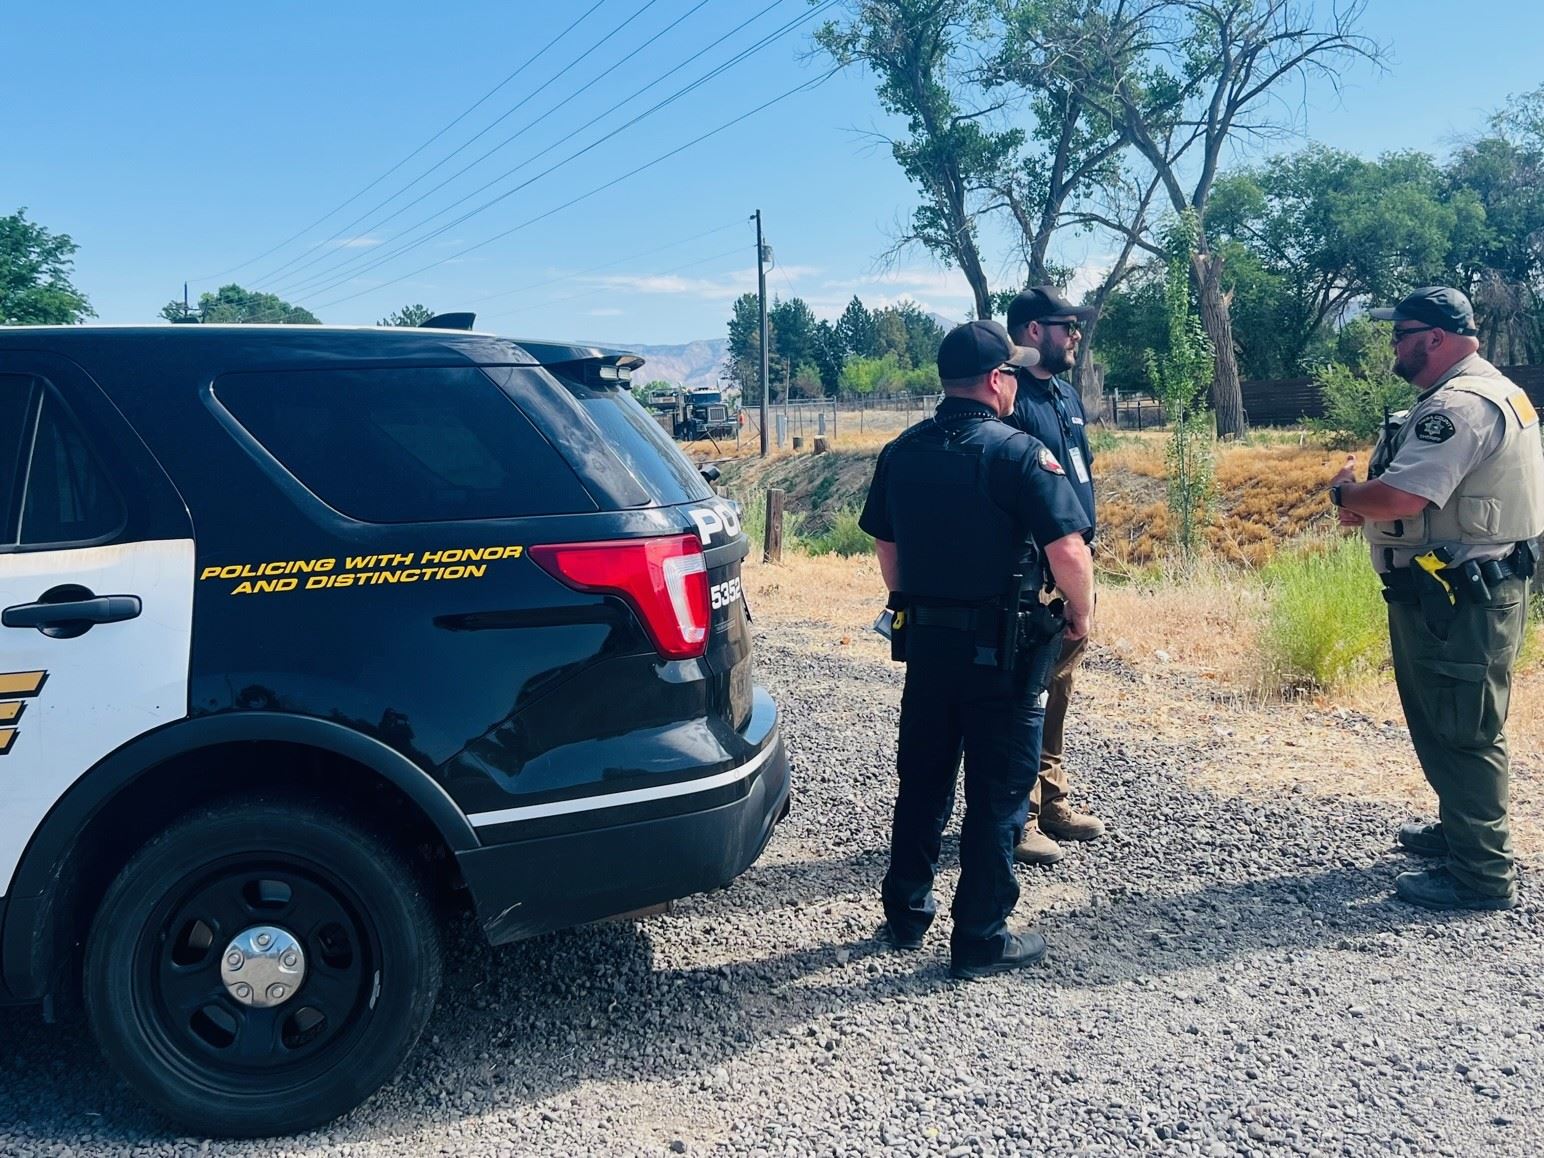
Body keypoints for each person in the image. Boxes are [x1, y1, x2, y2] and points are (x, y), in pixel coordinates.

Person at [860, 319, 1095, 977]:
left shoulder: (901, 451)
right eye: (1012, 372)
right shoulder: (1019, 454)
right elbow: (1068, 550)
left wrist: (918, 603)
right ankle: (981, 938)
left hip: (929, 650)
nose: (1016, 382)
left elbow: (886, 547)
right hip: (1005, 653)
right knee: (998, 795)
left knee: (924, 782)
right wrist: (1081, 616)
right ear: (996, 381)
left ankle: (905, 914)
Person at [1330, 286, 1543, 911]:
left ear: (1436, 339)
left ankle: (1481, 873)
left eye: (1401, 334)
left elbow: (1402, 498)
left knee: (1465, 726)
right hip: (1457, 589)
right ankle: (1462, 832)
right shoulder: (1492, 392)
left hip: (1459, 597)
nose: (1393, 344)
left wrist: (1345, 495)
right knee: (1449, 717)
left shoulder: (1460, 405)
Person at [1002, 286, 1105, 865]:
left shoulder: (1065, 394)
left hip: (1072, 565)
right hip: (1030, 572)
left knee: (1058, 690)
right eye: (1067, 326)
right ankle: (1020, 816)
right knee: (1024, 695)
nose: (1076, 335)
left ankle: (1051, 798)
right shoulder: (1009, 395)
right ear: (1034, 331)